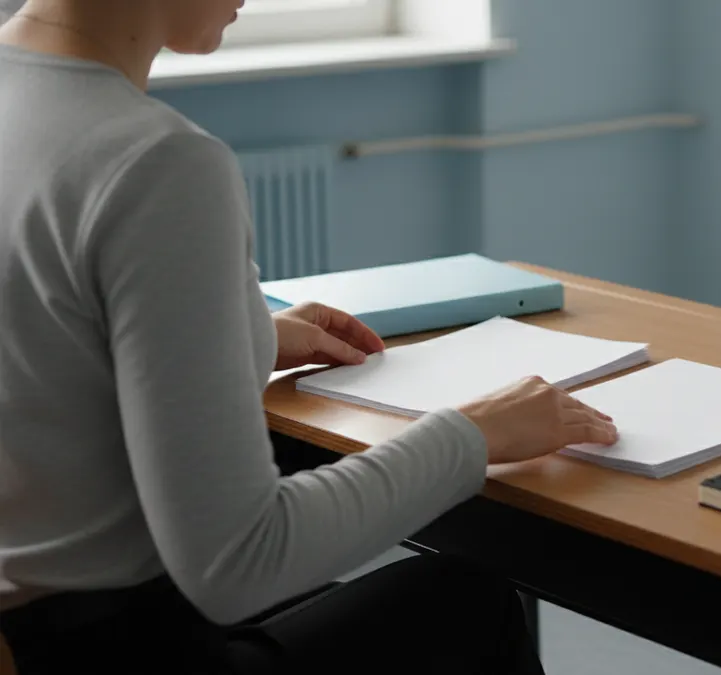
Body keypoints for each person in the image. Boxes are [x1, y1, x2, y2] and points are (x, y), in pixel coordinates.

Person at [0, 1, 621, 673]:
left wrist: (236, 335)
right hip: (120, 644)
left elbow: (42, 343)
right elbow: (240, 560)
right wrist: (472, 434)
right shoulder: (152, 161)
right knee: (462, 600)